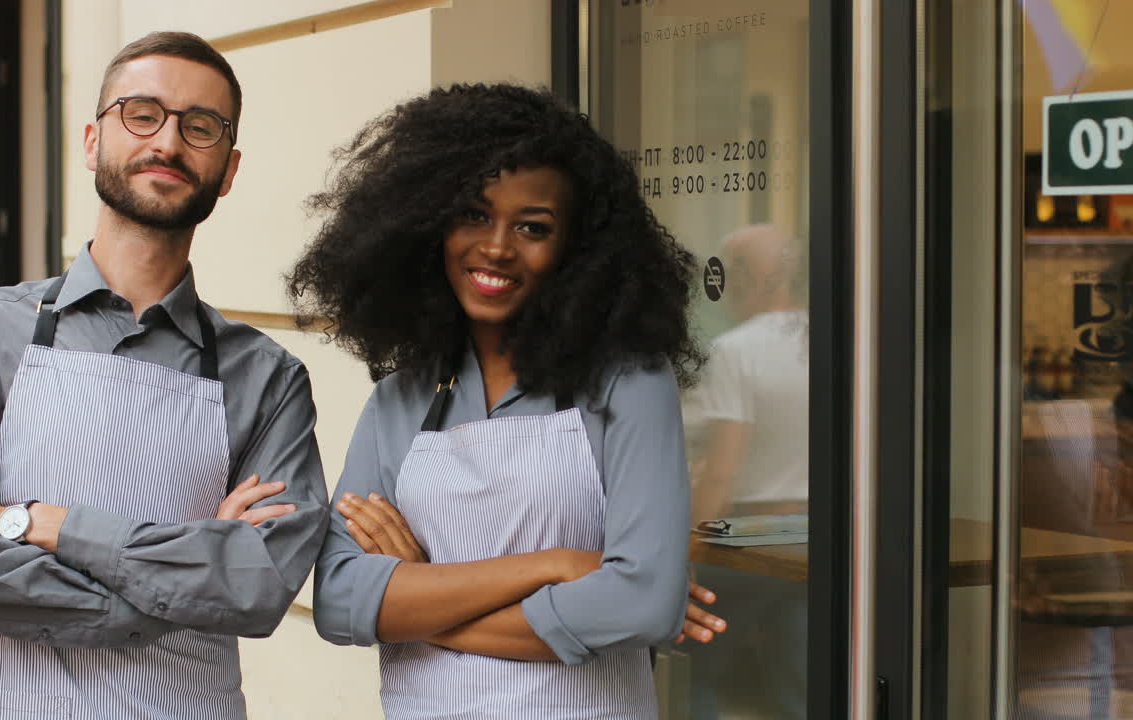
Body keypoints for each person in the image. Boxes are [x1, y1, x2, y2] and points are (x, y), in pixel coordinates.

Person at [0, 32, 328, 719]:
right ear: (93, 140)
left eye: (201, 127)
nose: (167, 142)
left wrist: (48, 525)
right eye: (141, 114)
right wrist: (176, 581)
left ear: (228, 168)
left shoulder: (268, 379)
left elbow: (257, 585)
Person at [292, 83, 723, 719]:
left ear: (577, 249)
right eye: (472, 213)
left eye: (533, 227)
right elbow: (337, 600)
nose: (497, 246)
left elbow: (644, 603)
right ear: (426, 223)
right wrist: (554, 566)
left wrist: (419, 606)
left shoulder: (627, 384)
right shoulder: (399, 402)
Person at [681, 224, 809, 718]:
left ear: (760, 279)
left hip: (746, 541)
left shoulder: (735, 351)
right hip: (813, 540)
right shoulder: (836, 342)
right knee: (796, 683)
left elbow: (722, 470)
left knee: (696, 673)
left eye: (729, 271)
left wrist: (687, 549)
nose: (722, 286)